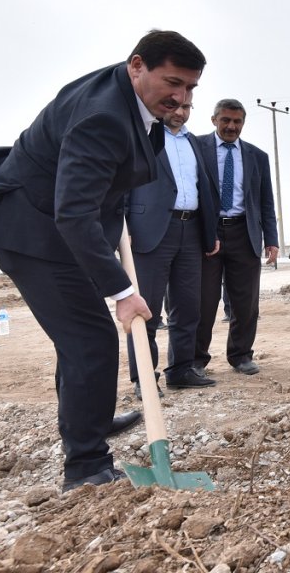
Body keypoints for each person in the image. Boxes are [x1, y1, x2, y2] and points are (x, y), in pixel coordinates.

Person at [0, 30, 205, 491]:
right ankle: (84, 465)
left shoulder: (127, 93)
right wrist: (123, 291)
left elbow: (104, 184)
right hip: (34, 234)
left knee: (82, 337)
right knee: (91, 338)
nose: (180, 97)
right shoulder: (103, 116)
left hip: (64, 228)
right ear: (137, 65)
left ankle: (91, 417)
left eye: (190, 89)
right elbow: (74, 211)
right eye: (173, 83)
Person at [123, 99, 219, 397]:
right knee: (145, 307)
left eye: (187, 107)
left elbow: (205, 187)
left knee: (188, 306)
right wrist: (121, 231)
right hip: (149, 233)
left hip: (190, 230)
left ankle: (180, 369)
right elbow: (122, 184)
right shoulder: (139, 137)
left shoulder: (195, 143)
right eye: (174, 106)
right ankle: (144, 377)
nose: (180, 112)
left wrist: (209, 231)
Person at [193, 99, 279, 378]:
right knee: (203, 300)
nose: (231, 126)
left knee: (245, 302)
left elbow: (266, 202)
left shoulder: (258, 157)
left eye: (237, 121)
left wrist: (272, 239)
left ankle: (241, 355)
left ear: (243, 123)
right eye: (226, 120)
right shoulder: (197, 148)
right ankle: (195, 359)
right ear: (214, 120)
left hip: (245, 233)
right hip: (208, 232)